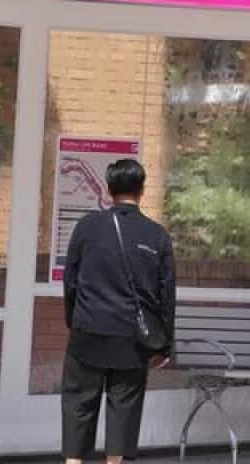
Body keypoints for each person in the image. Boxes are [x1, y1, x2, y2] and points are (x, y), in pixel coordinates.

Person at [62, 159, 176, 464]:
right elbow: (167, 295)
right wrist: (165, 343)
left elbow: (70, 280)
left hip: (87, 333)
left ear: (108, 190)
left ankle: (73, 461)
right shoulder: (157, 236)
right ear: (142, 190)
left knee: (79, 406)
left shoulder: (87, 227)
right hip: (131, 340)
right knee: (123, 410)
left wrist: (75, 321)